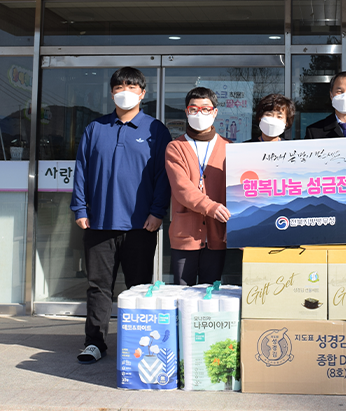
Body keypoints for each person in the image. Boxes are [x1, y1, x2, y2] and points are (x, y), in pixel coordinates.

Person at [71, 67, 172, 364]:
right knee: (98, 288)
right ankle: (95, 343)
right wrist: (80, 208)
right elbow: (81, 172)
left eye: (131, 86)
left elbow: (163, 177)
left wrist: (157, 212)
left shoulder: (156, 130)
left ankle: (138, 344)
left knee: (138, 289)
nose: (124, 90)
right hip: (99, 222)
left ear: (143, 93)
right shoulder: (95, 128)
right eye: (119, 86)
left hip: (141, 225)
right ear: (112, 92)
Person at [165, 87, 231, 286]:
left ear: (215, 112)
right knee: (182, 293)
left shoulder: (229, 148)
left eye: (205, 109)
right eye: (193, 109)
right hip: (186, 235)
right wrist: (211, 207)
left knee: (211, 294)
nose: (199, 114)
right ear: (186, 112)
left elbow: (236, 192)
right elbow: (182, 189)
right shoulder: (175, 147)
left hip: (217, 234)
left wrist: (235, 225)